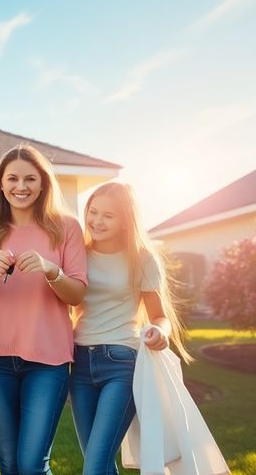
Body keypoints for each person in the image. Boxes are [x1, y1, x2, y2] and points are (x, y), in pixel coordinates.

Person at [0, 145, 88, 475]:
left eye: (30, 178)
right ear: (2, 184)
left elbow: (76, 294)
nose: (22, 186)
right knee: (9, 462)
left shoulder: (66, 227)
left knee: (32, 463)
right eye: (13, 179)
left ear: (43, 183)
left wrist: (52, 271)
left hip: (48, 360)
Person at [68, 182, 193, 475]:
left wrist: (160, 332)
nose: (97, 221)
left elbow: (160, 316)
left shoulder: (142, 258)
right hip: (80, 364)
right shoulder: (77, 254)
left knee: (95, 467)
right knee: (97, 463)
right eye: (93, 212)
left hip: (121, 363)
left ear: (126, 219)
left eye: (108, 216)